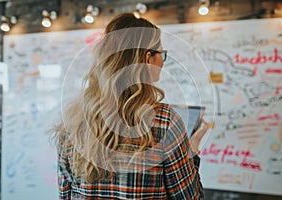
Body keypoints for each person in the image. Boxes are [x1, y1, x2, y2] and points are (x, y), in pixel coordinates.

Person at [54, 13, 209, 200]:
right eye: (162, 54)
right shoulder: (165, 122)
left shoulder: (73, 122)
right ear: (148, 57)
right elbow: (191, 198)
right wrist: (191, 151)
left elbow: (65, 196)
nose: (162, 61)